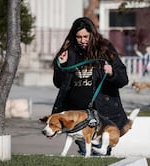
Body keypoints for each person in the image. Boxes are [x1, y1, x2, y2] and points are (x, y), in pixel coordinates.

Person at [51, 17, 129, 155]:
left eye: (85, 36)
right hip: (78, 118)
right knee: (85, 155)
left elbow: (123, 79)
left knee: (100, 155)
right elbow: (59, 84)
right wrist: (61, 66)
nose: (82, 40)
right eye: (79, 37)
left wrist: (112, 72)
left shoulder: (104, 49)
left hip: (101, 117)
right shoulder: (69, 51)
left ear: (92, 34)